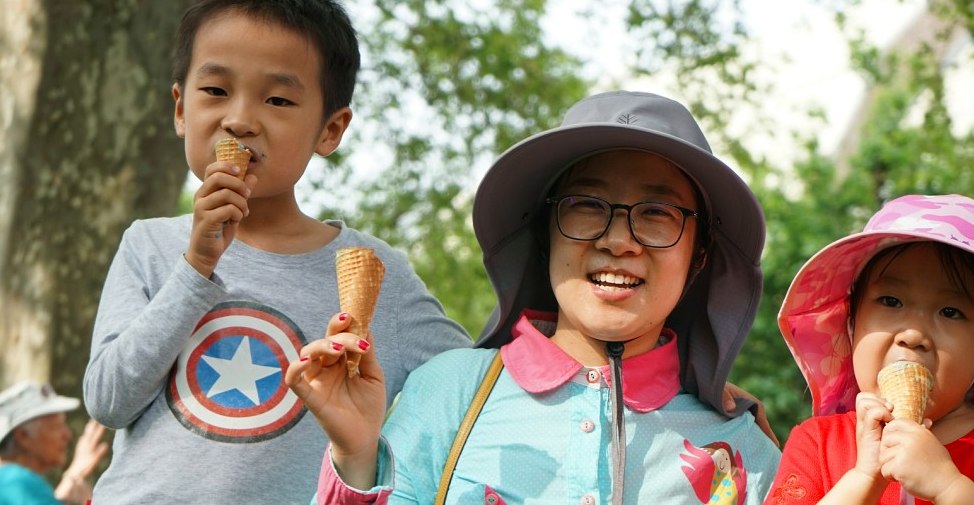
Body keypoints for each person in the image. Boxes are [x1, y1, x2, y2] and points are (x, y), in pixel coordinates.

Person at [81, 0, 471, 502]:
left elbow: (469, 394)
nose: (239, 120)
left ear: (330, 130)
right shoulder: (150, 244)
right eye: (215, 91)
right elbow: (108, 400)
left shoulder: (373, 272)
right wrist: (195, 268)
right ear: (180, 109)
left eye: (279, 101)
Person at [286, 90, 782, 503]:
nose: (618, 240)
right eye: (587, 205)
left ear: (699, 256)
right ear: (546, 232)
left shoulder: (744, 452)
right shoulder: (449, 394)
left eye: (657, 213)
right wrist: (355, 457)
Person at [769, 194, 974, 504]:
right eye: (891, 301)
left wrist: (948, 487)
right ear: (851, 321)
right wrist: (864, 477)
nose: (914, 334)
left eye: (950, 312)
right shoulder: (816, 443)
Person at [0, 382, 109, 505]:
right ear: (22, 436)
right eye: (56, 427)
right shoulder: (18, 482)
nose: (67, 435)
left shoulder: (1, 484)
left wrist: (74, 474)